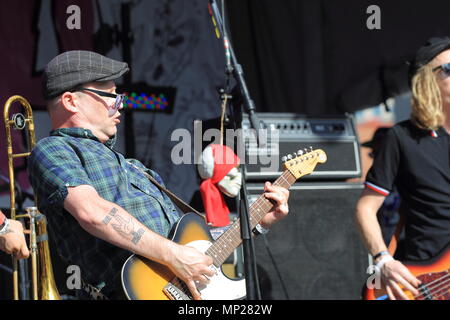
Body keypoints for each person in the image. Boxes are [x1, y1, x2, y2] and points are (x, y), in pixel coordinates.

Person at [28, 50, 290, 300]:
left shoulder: (135, 168)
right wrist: (174, 255)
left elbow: (196, 248)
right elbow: (92, 213)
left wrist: (257, 222)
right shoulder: (52, 150)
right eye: (111, 97)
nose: (120, 105)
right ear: (71, 101)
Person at [355, 36, 450, 300]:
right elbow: (365, 207)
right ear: (426, 81)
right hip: (424, 282)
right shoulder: (402, 137)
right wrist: (383, 260)